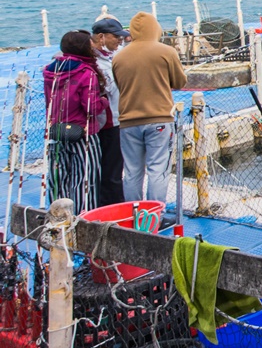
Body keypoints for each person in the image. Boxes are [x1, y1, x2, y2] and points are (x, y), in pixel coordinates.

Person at [112, 12, 187, 203]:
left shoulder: (118, 58)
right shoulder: (166, 52)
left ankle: (134, 214)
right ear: (155, 29)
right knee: (157, 169)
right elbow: (179, 82)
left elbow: (120, 85)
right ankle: (154, 216)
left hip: (128, 121)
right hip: (159, 118)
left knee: (132, 172)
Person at [43, 31, 110, 212]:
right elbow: (91, 107)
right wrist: (104, 101)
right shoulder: (85, 72)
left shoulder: (51, 71)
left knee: (58, 179)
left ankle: (58, 218)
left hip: (57, 130)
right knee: (84, 180)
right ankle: (83, 219)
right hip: (83, 133)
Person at [91, 17, 130, 206]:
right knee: (111, 171)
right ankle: (113, 208)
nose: (119, 42)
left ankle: (108, 205)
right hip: (107, 123)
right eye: (116, 37)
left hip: (115, 119)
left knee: (112, 169)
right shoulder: (95, 62)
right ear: (101, 37)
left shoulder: (111, 57)